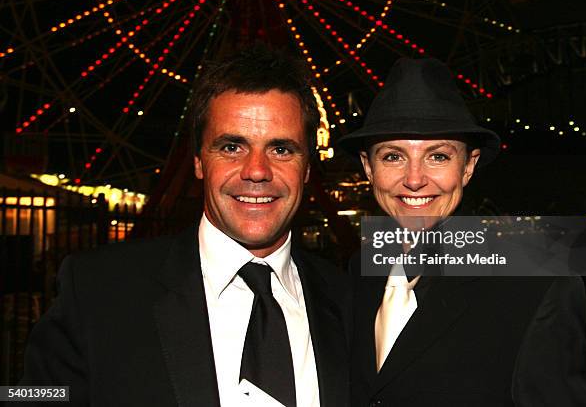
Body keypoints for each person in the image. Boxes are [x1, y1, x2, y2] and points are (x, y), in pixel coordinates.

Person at [20, 45, 351, 406]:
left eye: (281, 150)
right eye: (231, 147)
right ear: (197, 161)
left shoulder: (348, 302)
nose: (257, 170)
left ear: (306, 169)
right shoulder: (98, 289)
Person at [339, 57, 586, 406]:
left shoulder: (538, 286)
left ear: (468, 167)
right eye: (393, 157)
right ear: (369, 169)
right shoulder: (358, 272)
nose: (414, 179)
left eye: (438, 157)